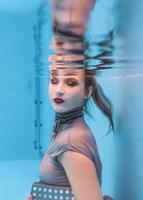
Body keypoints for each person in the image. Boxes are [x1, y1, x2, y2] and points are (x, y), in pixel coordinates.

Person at [26, 64, 114, 200]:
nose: (59, 90)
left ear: (87, 92)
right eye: (54, 80)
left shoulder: (70, 142)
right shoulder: (69, 130)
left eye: (71, 83)